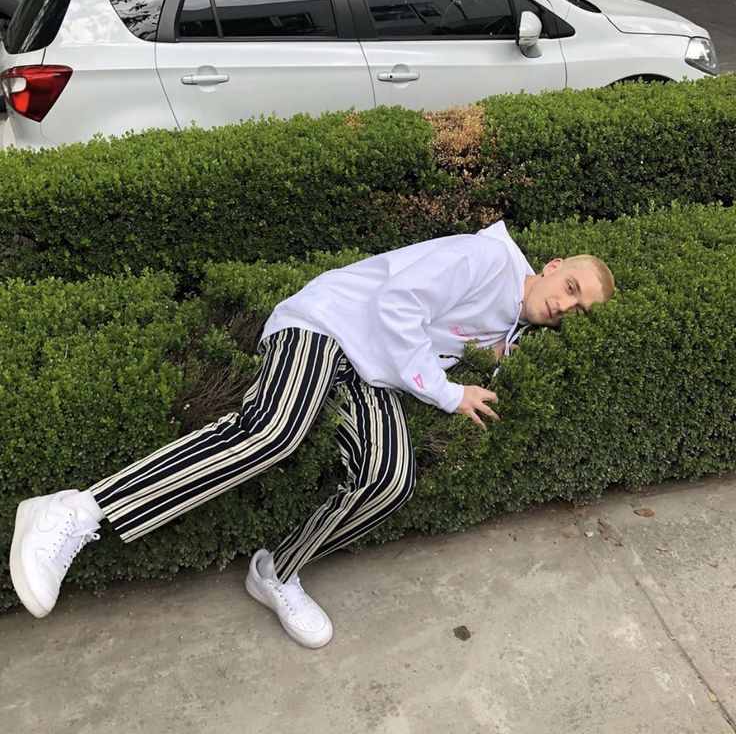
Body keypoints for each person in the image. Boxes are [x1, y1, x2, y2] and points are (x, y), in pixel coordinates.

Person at [8, 221, 614, 648]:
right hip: (326, 327)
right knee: (276, 431)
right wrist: (450, 393)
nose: (567, 306)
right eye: (570, 288)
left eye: (579, 309)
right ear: (553, 268)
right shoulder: (487, 260)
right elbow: (397, 301)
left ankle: (275, 572)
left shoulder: (513, 321)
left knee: (389, 477)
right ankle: (77, 511)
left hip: (371, 374)